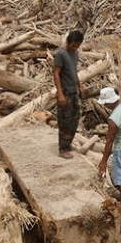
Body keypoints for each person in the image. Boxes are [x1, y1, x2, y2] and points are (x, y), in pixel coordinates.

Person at [53, 29, 85, 158]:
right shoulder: (61, 54)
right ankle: (63, 149)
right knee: (64, 121)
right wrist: (60, 93)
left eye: (77, 46)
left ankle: (68, 143)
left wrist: (80, 85)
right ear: (68, 42)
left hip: (74, 91)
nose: (74, 48)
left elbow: (74, 71)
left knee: (75, 118)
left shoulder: (75, 53)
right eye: (72, 46)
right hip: (65, 91)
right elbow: (56, 74)